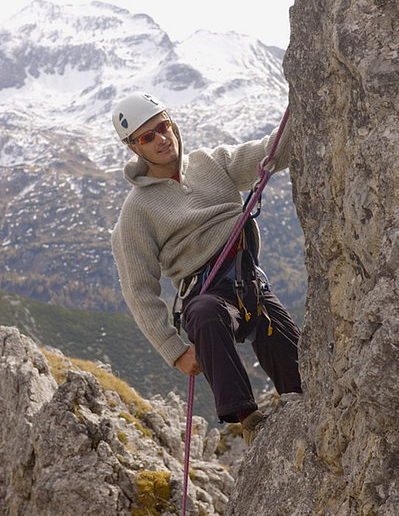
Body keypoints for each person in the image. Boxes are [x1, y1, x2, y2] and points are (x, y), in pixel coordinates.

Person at [111, 91, 301, 445]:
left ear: (173, 123)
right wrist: (176, 351)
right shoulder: (136, 211)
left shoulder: (211, 163)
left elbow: (270, 153)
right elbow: (139, 290)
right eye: (146, 136)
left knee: (304, 373)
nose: (161, 138)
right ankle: (249, 419)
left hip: (250, 286)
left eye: (162, 126)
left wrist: (306, 97)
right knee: (204, 312)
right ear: (134, 148)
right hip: (207, 296)